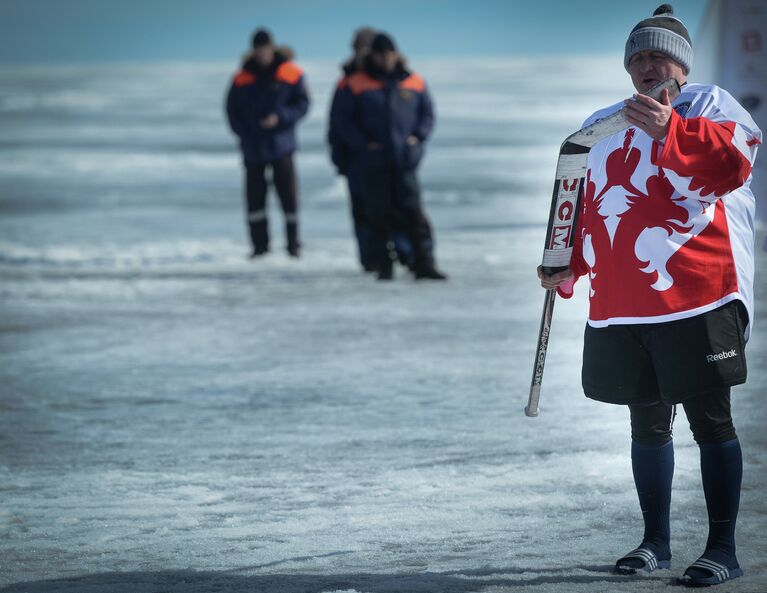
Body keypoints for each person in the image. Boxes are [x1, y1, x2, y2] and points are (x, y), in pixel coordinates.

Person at [538, 4, 761, 587]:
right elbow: (588, 207)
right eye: (636, 56)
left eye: (656, 54)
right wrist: (568, 262)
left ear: (681, 65)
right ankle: (654, 543)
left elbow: (734, 163)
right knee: (647, 424)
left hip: (700, 292)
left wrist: (672, 130)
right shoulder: (603, 122)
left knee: (711, 422)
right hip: (624, 301)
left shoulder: (707, 105)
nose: (645, 65)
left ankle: (723, 549)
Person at [331, 32, 447, 280]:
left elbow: (427, 114)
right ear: (371, 55)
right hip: (372, 163)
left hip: (405, 161)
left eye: (388, 53)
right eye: (379, 53)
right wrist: (363, 145)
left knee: (414, 214)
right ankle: (382, 265)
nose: (384, 58)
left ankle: (423, 263)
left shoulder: (412, 81)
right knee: (376, 215)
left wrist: (417, 138)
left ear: (395, 54)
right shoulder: (355, 82)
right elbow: (342, 121)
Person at [226, 28, 310, 258]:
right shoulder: (242, 77)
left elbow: (302, 104)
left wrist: (281, 118)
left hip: (281, 145)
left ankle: (293, 245)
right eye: (258, 49)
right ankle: (259, 247)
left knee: (289, 197)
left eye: (266, 48)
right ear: (253, 50)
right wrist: (245, 131)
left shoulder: (290, 73)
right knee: (255, 199)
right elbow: (232, 111)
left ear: (272, 48)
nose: (262, 53)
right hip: (253, 147)